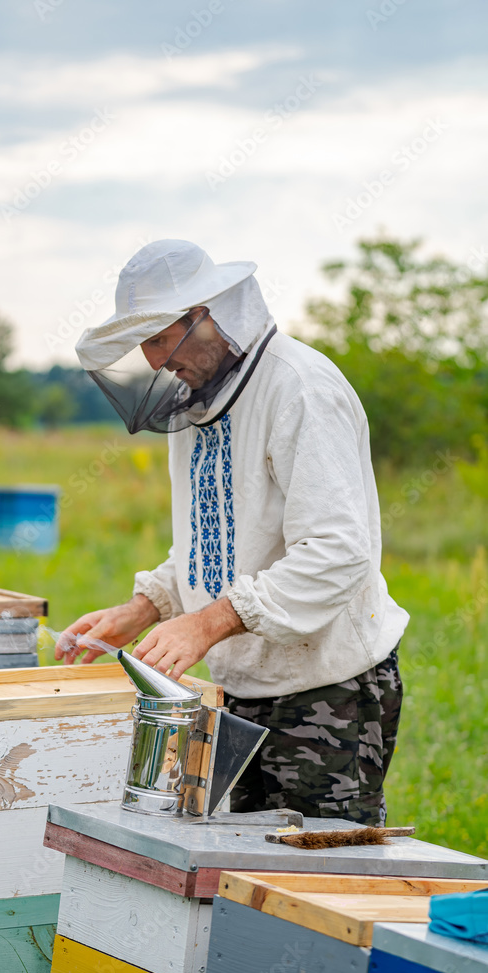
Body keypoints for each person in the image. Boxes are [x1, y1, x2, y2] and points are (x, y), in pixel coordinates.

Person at [55, 239, 409, 826]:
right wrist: (147, 607)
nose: (153, 361)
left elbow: (338, 554)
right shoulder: (194, 406)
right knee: (237, 878)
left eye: (161, 338)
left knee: (314, 884)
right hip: (235, 690)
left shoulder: (300, 388)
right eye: (142, 343)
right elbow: (211, 541)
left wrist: (208, 621)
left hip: (327, 687)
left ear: (208, 315)